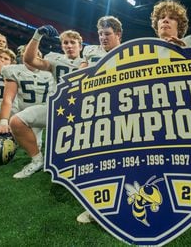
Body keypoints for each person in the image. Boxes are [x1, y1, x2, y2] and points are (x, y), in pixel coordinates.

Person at [15, 26, 86, 179]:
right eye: (65, 43)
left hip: (80, 112)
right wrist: (37, 35)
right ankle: (37, 160)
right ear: (61, 46)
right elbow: (29, 60)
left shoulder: (88, 61)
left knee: (68, 162)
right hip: (55, 109)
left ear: (80, 45)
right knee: (16, 121)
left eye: (72, 42)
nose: (69, 46)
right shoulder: (55, 59)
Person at [76, 15, 123, 224]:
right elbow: (81, 74)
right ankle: (96, 205)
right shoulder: (90, 52)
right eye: (101, 34)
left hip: (122, 110)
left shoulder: (129, 51)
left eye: (108, 34)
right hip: (95, 110)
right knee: (95, 158)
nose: (103, 38)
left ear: (118, 35)